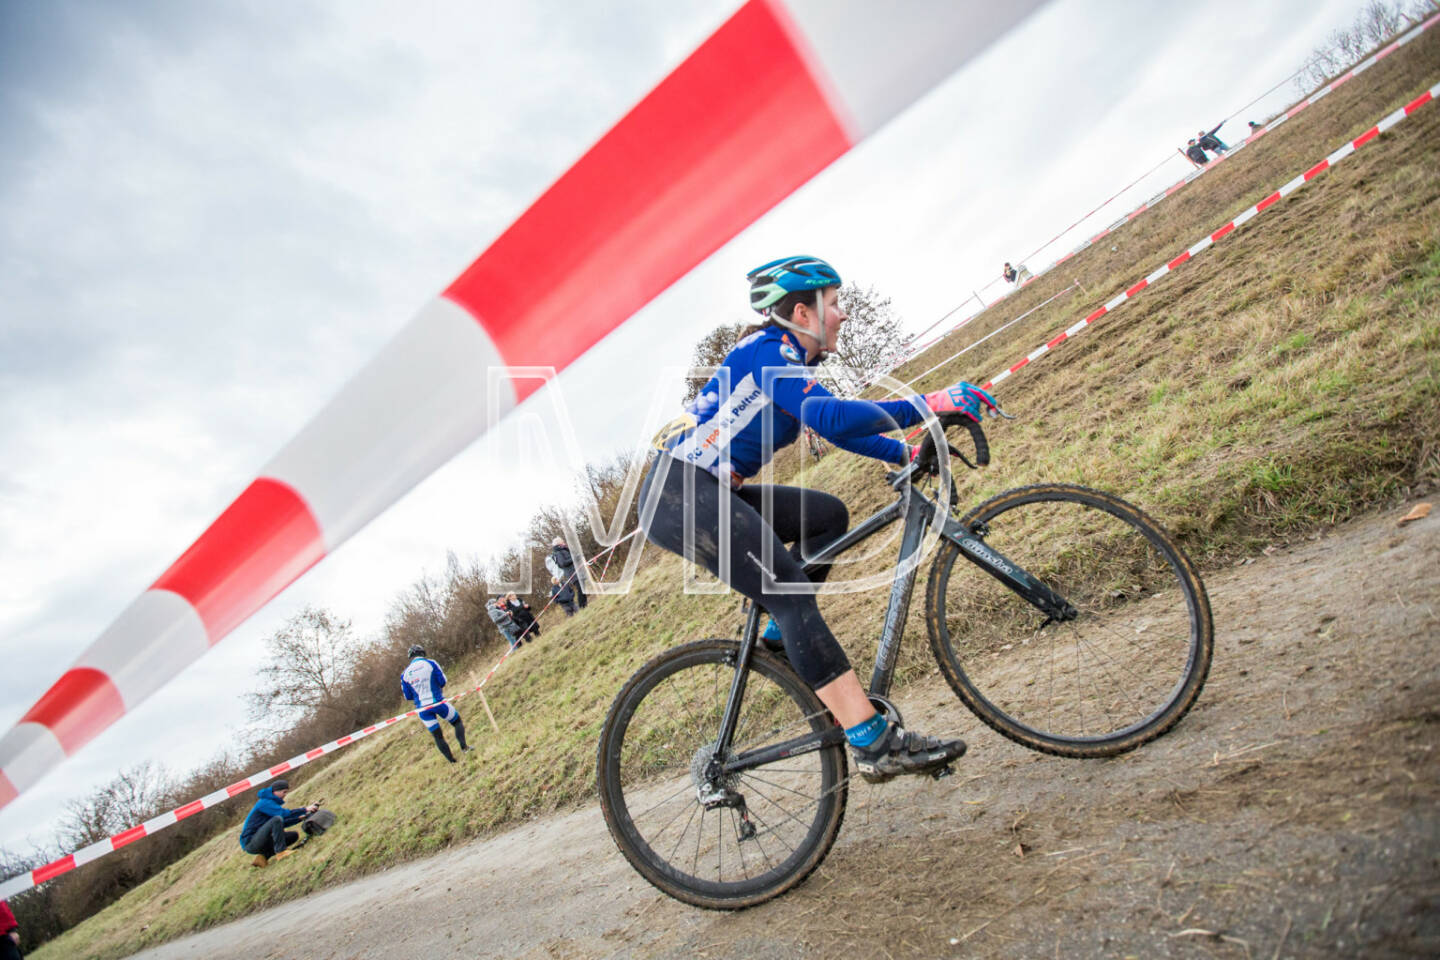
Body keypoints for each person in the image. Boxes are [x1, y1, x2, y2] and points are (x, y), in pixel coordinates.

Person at [639, 255, 996, 781]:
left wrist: (903, 453)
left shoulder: (791, 363)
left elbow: (837, 429)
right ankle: (874, 742)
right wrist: (929, 403)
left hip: (705, 487)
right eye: (836, 303)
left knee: (827, 518)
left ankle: (783, 641)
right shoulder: (768, 352)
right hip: (679, 493)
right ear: (803, 314)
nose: (844, 315)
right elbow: (828, 416)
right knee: (791, 596)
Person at [400, 645, 472, 762]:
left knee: (437, 736)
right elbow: (443, 681)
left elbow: (407, 696)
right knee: (457, 721)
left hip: (422, 709)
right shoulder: (431, 663)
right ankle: (464, 748)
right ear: (423, 653)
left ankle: (452, 761)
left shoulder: (404, 674)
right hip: (438, 702)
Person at [238, 779, 318, 867]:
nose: (285, 795)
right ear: (276, 791)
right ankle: (281, 852)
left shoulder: (270, 803)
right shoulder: (265, 803)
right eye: (284, 792)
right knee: (277, 819)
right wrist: (305, 809)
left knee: (293, 836)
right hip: (250, 842)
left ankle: (263, 857)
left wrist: (299, 818)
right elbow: (282, 815)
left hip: (260, 839)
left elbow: (281, 823)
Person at [550, 538, 588, 609]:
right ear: (559, 544)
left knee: (583, 587)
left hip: (577, 571)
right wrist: (574, 559)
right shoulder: (558, 553)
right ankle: (582, 606)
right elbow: (562, 563)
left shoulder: (564, 550)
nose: (564, 543)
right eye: (562, 542)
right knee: (581, 588)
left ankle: (584, 604)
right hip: (572, 573)